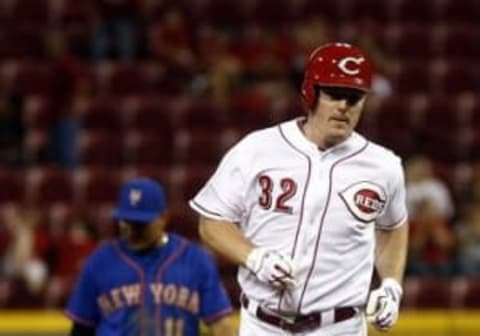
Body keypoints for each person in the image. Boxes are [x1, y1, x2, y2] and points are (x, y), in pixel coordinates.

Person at [189, 42, 409, 335]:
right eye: (334, 94)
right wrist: (254, 257)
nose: (344, 106)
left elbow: (393, 226)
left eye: (354, 97)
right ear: (311, 93)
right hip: (263, 325)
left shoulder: (383, 165)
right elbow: (211, 222)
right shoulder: (258, 149)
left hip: (340, 327)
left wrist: (392, 284)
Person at [65, 178, 235, 336]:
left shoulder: (195, 260)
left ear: (163, 218)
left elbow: (221, 324)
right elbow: (81, 328)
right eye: (126, 222)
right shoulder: (99, 262)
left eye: (140, 224)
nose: (132, 230)